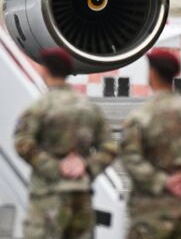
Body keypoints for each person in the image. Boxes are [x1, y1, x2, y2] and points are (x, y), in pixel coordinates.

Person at [12, 47, 119, 239]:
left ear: (46, 70)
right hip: (80, 192)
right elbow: (110, 147)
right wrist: (85, 166)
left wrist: (55, 167)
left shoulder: (40, 107)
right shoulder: (89, 108)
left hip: (47, 195)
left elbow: (22, 142)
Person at [120, 49, 181, 238]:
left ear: (152, 74)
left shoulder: (141, 116)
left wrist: (163, 181)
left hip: (150, 210)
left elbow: (130, 157)